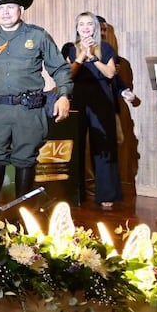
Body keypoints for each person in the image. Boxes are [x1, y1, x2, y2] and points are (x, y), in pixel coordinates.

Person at [0, 0, 73, 223]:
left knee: (25, 158)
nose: (4, 12)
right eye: (0, 8)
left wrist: (64, 95)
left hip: (28, 110)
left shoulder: (37, 36)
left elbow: (60, 69)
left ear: (21, 9)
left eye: (10, 7)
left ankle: (24, 213)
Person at [62, 11, 121, 210]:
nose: (86, 27)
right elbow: (68, 75)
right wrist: (80, 56)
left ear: (95, 27)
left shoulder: (105, 47)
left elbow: (111, 73)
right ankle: (75, 192)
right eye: (81, 24)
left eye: (89, 24)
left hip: (102, 100)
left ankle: (107, 194)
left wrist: (93, 58)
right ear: (77, 28)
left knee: (103, 147)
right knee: (75, 146)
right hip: (77, 101)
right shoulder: (71, 49)